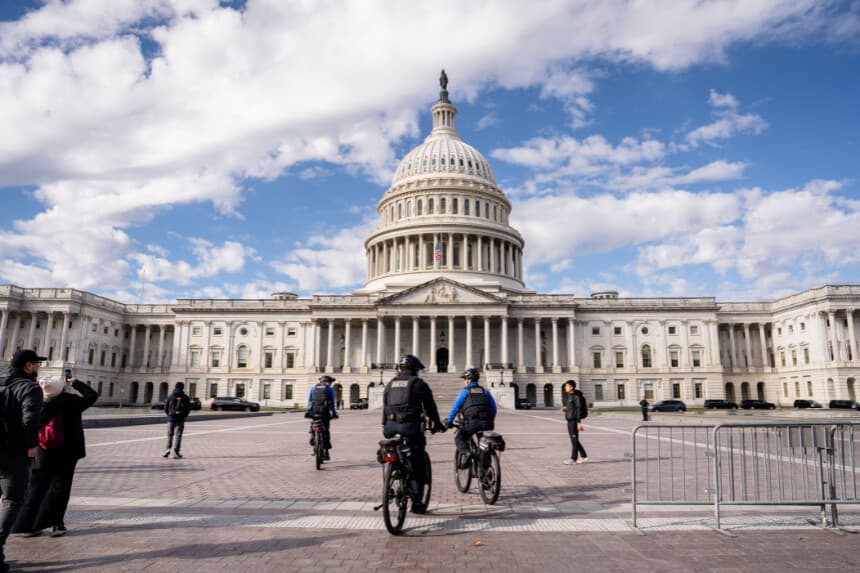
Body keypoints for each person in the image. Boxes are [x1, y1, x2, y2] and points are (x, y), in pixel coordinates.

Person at [14, 374, 98, 538]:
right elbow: (92, 395)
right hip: (67, 452)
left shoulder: (38, 403)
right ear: (61, 388)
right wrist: (76, 383)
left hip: (43, 452)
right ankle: (56, 524)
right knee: (60, 488)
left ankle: (27, 525)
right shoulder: (71, 402)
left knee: (35, 488)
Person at [381, 354, 445, 514]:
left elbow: (385, 406)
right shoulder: (419, 384)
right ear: (416, 370)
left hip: (389, 428)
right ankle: (417, 502)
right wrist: (437, 424)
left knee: (391, 453)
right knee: (417, 460)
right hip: (410, 428)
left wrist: (386, 426)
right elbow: (431, 408)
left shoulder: (389, 385)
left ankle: (388, 482)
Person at [0, 349, 45, 573]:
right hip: (13, 452)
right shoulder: (30, 388)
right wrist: (31, 446)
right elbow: (30, 419)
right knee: (13, 500)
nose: (39, 368)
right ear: (28, 366)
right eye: (37, 364)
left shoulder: (1, 383)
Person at [444, 368, 497, 468]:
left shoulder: (465, 392)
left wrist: (449, 421)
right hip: (487, 422)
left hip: (473, 422)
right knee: (484, 444)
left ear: (468, 380)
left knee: (459, 437)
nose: (464, 381)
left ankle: (467, 453)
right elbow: (493, 408)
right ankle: (487, 472)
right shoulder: (485, 391)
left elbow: (455, 408)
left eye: (465, 379)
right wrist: (489, 420)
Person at [305, 375, 338, 460]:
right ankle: (326, 452)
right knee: (326, 431)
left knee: (314, 423)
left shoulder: (313, 388)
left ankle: (313, 435)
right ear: (329, 382)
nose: (330, 384)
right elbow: (332, 403)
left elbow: (309, 401)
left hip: (314, 411)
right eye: (330, 382)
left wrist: (307, 412)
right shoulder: (329, 389)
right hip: (325, 412)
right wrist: (334, 413)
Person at [561, 380, 588, 465]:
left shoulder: (576, 396)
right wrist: (566, 409)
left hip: (574, 421)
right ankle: (583, 456)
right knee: (574, 439)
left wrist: (579, 422)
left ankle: (573, 458)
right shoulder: (569, 396)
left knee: (574, 439)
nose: (565, 387)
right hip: (569, 420)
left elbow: (579, 409)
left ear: (571, 387)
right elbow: (572, 408)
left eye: (567, 386)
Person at [163, 382, 191, 459]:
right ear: (182, 388)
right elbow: (188, 409)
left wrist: (169, 415)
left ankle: (167, 449)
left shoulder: (170, 396)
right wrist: (184, 416)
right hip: (180, 419)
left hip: (171, 419)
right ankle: (176, 451)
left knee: (170, 435)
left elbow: (165, 408)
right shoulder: (185, 397)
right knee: (178, 436)